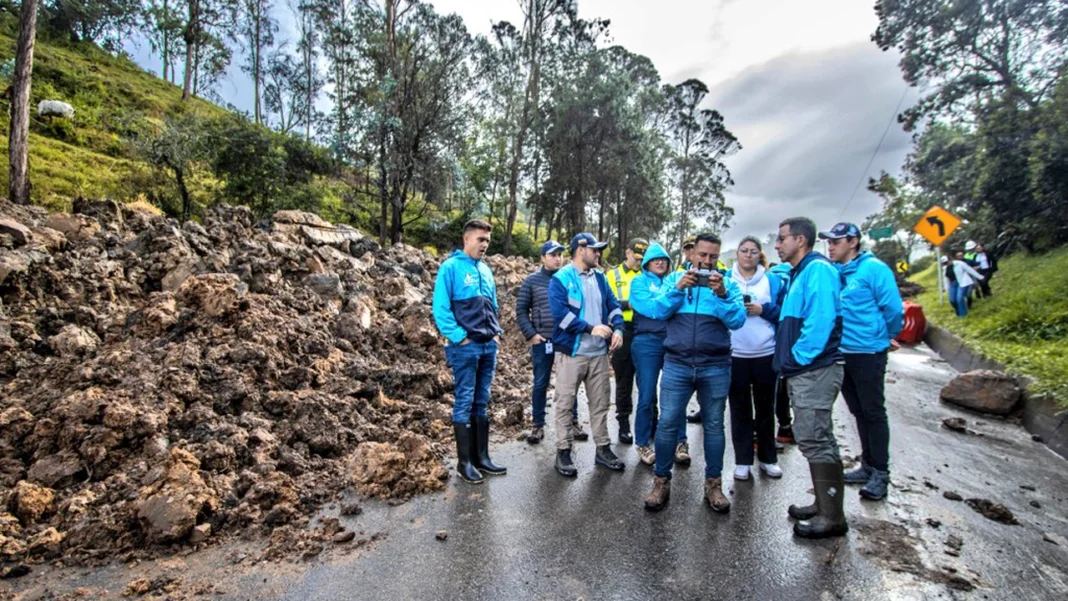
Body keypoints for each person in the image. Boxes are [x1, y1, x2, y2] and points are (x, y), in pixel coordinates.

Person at [638, 233, 746, 513]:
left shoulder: (728, 285)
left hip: (716, 366)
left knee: (713, 427)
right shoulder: (674, 280)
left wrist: (720, 294)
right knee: (667, 424)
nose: (707, 261)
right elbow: (657, 311)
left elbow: (737, 320)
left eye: (712, 256)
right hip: (677, 364)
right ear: (692, 254)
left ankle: (713, 485)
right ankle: (661, 481)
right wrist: (677, 290)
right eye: (702, 255)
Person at [774, 217, 847, 539]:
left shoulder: (818, 270)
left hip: (813, 369)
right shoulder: (800, 273)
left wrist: (796, 360)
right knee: (812, 436)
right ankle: (822, 504)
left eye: (781, 239)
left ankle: (832, 516)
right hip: (805, 371)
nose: (777, 245)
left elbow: (820, 321)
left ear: (800, 240)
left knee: (817, 439)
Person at [821, 222, 904, 502]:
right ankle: (867, 464)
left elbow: (893, 309)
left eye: (836, 241)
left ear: (853, 242)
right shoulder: (835, 273)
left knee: (873, 411)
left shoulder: (874, 269)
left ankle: (881, 471)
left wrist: (885, 336)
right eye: (829, 242)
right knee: (857, 411)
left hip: (868, 351)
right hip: (842, 352)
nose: (830, 246)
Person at [432, 219, 507, 484]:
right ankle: (464, 463)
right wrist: (459, 338)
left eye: (487, 240)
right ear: (466, 239)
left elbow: (493, 304)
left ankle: (482, 458)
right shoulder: (450, 268)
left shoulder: (485, 270)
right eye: (480, 239)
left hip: (488, 345)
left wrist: (497, 333)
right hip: (466, 347)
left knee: (482, 400)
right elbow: (440, 309)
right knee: (464, 399)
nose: (485, 244)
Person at [548, 233, 626, 477]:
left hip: (599, 355)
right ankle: (563, 452)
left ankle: (602, 449)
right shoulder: (561, 279)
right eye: (594, 249)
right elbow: (561, 316)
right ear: (580, 250)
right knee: (564, 403)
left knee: (601, 403)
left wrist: (619, 329)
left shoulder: (601, 278)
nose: (598, 253)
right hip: (571, 354)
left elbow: (613, 306)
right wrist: (591, 328)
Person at [726, 236, 786, 482]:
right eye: (743, 250)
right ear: (737, 253)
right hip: (735, 353)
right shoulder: (726, 279)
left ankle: (768, 458)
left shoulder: (772, 280)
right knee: (739, 409)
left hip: (765, 353)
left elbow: (785, 313)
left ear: (759, 254)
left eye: (753, 251)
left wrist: (764, 310)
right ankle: (742, 461)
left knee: (765, 408)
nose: (748, 255)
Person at [515, 240, 585, 444]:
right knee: (540, 382)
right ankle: (537, 425)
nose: (557, 258)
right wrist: (531, 334)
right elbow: (521, 310)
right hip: (542, 340)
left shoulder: (569, 279)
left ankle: (573, 422)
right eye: (553, 255)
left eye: (560, 255)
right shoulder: (532, 281)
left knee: (569, 383)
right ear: (543, 258)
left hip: (566, 340)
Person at [628, 242, 689, 466]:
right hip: (647, 343)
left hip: (674, 341)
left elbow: (679, 305)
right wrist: (672, 298)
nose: (660, 262)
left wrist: (668, 299)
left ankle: (681, 441)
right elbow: (652, 310)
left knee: (677, 394)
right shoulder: (638, 282)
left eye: (664, 259)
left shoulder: (674, 279)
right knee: (646, 395)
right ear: (646, 264)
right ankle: (643, 443)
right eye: (655, 260)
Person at [607, 238, 649, 444]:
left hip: (643, 330)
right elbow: (608, 301)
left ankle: (651, 423)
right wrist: (628, 304)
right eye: (636, 257)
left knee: (646, 380)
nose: (638, 262)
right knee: (623, 381)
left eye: (642, 259)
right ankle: (623, 424)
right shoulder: (612, 274)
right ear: (627, 252)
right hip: (621, 330)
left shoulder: (646, 275)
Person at [768, 261, 795, 444]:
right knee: (781, 387)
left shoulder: (768, 278)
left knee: (768, 391)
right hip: (787, 339)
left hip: (766, 343)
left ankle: (758, 433)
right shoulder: (792, 279)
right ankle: (785, 427)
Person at [947, 251, 984, 318]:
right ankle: (959, 311)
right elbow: (946, 278)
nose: (947, 264)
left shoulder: (960, 263)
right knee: (953, 300)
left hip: (962, 282)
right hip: (953, 284)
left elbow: (970, 270)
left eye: (947, 262)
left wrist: (980, 277)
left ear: (950, 260)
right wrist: (947, 287)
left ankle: (963, 314)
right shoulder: (945, 268)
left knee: (960, 298)